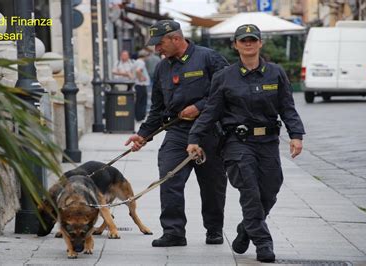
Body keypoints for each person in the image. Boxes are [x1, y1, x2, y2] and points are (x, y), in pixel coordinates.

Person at [187, 24, 305, 262]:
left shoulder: (276, 73)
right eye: (243, 40)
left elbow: (287, 107)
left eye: (253, 39)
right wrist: (194, 138)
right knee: (250, 192)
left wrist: (296, 135)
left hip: (268, 142)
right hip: (238, 143)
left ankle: (246, 230)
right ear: (235, 45)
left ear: (260, 43)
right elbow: (210, 111)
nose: (248, 44)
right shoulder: (224, 77)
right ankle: (263, 242)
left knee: (269, 191)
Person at [125, 20, 229, 247]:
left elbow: (226, 91)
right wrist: (143, 135)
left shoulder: (209, 58)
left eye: (160, 44)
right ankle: (173, 232)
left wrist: (200, 107)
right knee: (169, 178)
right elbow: (157, 108)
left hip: (209, 132)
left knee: (212, 185)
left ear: (176, 39)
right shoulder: (162, 67)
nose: (157, 50)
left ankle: (214, 229)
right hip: (178, 133)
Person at [133, 50, 150, 121]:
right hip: (141, 84)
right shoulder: (141, 62)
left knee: (138, 101)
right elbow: (138, 71)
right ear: (145, 56)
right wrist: (141, 78)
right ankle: (141, 116)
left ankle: (138, 116)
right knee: (142, 101)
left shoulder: (136, 61)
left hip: (137, 84)